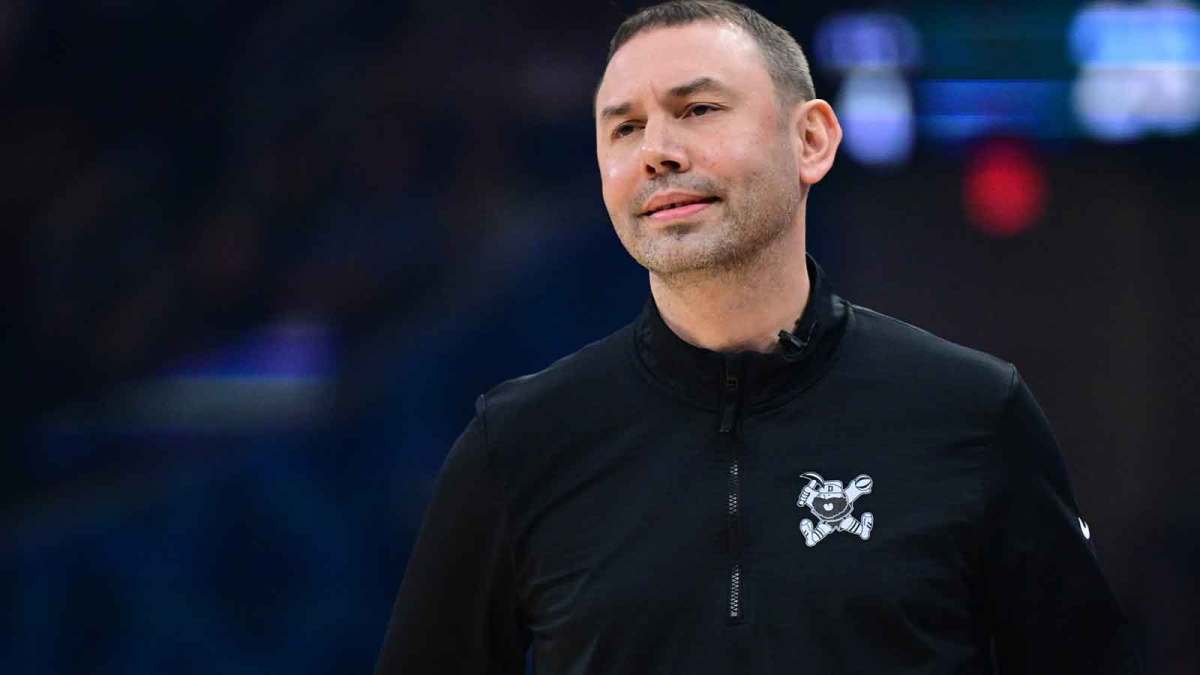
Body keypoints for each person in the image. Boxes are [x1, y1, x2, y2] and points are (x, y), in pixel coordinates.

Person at [373, 1, 1141, 673]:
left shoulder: (973, 413)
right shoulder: (518, 443)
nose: (658, 151)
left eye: (699, 110)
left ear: (811, 140)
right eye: (626, 127)